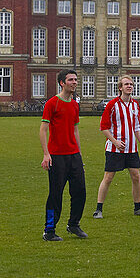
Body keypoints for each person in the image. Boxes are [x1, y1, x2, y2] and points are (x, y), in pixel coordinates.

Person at [94, 75, 140, 218]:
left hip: (131, 148)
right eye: (126, 84)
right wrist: (115, 141)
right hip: (115, 148)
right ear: (120, 87)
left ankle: (137, 208)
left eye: (131, 84)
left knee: (136, 176)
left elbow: (136, 126)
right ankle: (98, 209)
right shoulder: (112, 105)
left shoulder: (135, 105)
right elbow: (104, 127)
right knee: (108, 177)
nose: (129, 86)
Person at [40, 69, 87, 241]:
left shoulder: (75, 105)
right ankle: (49, 230)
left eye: (75, 79)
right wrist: (46, 154)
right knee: (55, 194)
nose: (74, 82)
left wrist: (79, 155)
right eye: (70, 80)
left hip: (73, 155)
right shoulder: (52, 103)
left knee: (80, 191)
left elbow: (75, 130)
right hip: (57, 156)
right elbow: (43, 130)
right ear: (62, 83)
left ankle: (73, 224)